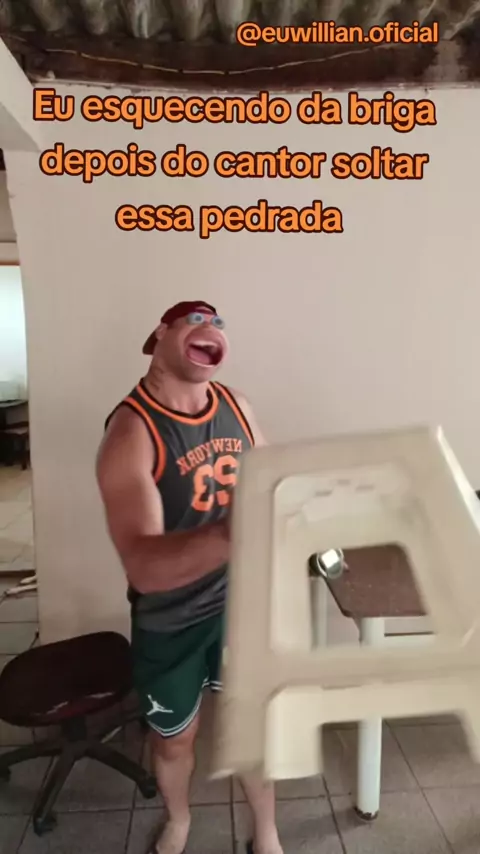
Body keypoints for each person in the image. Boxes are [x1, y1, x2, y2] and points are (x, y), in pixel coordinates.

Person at [96, 301, 283, 854]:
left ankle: (267, 830)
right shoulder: (131, 431)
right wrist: (230, 533)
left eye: (219, 324)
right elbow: (143, 566)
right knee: (175, 741)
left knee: (251, 728)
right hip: (171, 619)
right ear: (161, 335)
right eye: (197, 321)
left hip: (240, 608)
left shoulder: (237, 406)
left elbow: (273, 479)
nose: (212, 329)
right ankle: (179, 819)